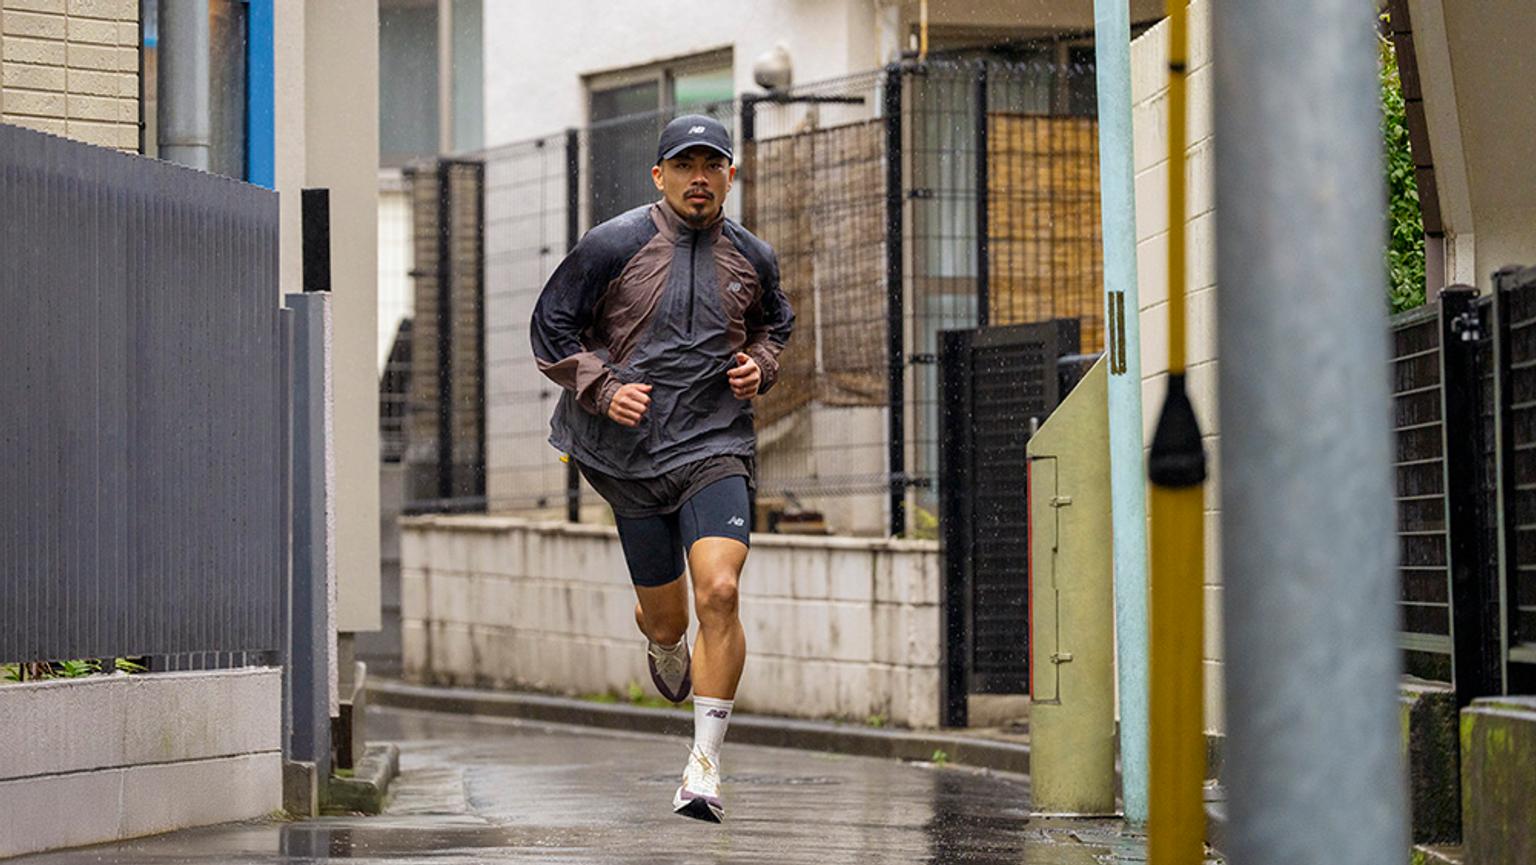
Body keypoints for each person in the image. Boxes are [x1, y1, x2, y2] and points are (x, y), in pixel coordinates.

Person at [529, 114, 793, 823]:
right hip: (628, 457)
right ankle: (659, 634)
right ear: (660, 175)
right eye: (684, 165)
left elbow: (776, 326)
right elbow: (549, 327)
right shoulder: (611, 244)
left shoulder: (753, 256)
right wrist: (605, 387)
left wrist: (759, 365)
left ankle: (703, 766)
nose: (698, 178)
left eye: (712, 164)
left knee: (721, 590)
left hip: (714, 444)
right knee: (670, 615)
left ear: (731, 175)